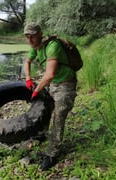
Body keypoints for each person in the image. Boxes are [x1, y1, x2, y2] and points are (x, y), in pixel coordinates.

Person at [23, 22, 77, 171]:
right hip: (52, 84)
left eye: (32, 36)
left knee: (58, 117)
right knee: (46, 108)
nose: (30, 40)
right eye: (27, 36)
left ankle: (52, 154)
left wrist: (36, 90)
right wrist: (28, 78)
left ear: (40, 34)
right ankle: (43, 133)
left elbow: (49, 74)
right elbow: (27, 61)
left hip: (65, 84)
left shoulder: (53, 46)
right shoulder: (36, 48)